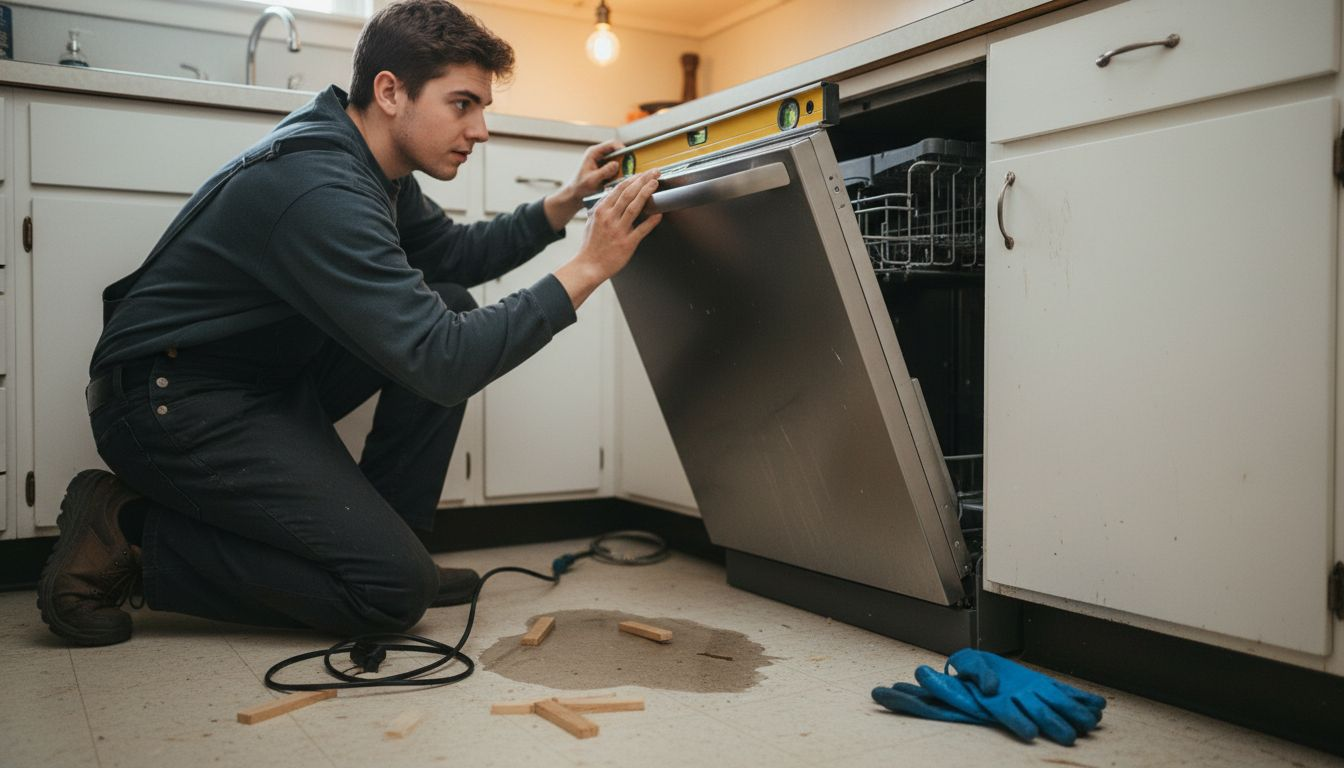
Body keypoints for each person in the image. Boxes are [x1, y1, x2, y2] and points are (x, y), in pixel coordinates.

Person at [35, 0, 662, 647]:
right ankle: (131, 533)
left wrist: (564, 205)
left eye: (484, 108)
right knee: (391, 594)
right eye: (463, 104)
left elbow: (454, 256)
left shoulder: (369, 164)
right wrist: (590, 266)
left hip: (252, 384)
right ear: (390, 91)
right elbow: (442, 362)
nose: (480, 130)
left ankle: (394, 542)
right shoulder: (321, 185)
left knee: (448, 297)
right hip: (169, 402)